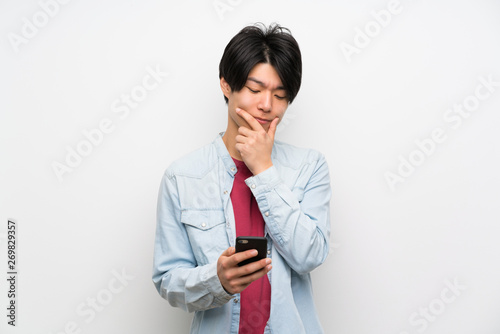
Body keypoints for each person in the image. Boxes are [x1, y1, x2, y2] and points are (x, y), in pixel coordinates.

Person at [153, 23, 332, 334]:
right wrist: (216, 280)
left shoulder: (310, 166)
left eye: (280, 94)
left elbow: (309, 255)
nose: (267, 105)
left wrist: (264, 169)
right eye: (254, 89)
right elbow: (167, 279)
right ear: (226, 85)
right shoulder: (182, 176)